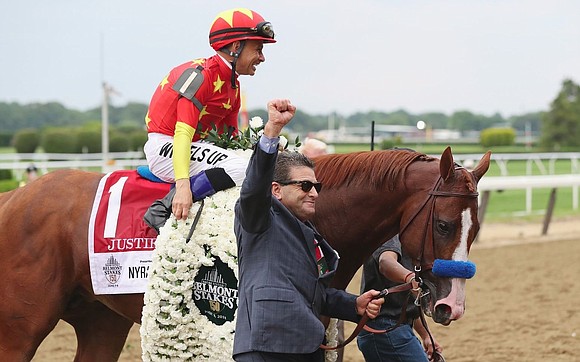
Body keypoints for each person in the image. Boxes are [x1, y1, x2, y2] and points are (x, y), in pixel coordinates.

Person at [233, 99, 385, 362]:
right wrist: (272, 132)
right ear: (276, 190)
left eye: (317, 187)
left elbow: (316, 295)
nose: (314, 193)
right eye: (305, 186)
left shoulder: (310, 232)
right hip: (267, 348)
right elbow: (255, 185)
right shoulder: (259, 216)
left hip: (307, 347)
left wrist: (354, 304)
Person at [143, 8, 277, 221]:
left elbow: (231, 141)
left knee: (254, 162)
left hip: (192, 147)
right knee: (242, 167)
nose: (262, 58)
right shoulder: (199, 76)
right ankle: (164, 207)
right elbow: (183, 134)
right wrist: (183, 186)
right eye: (258, 49)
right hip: (166, 146)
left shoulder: (233, 87)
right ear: (235, 47)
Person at [357, 234, 444, 362]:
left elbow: (407, 302)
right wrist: (410, 277)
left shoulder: (408, 237)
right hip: (385, 330)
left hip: (395, 329)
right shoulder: (389, 232)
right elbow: (385, 261)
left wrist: (426, 335)